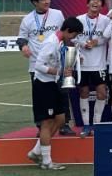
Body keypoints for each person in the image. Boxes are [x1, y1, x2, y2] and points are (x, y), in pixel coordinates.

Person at [26, 17, 83, 170]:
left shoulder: (61, 42)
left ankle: (36, 151)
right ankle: (46, 161)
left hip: (54, 84)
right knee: (47, 123)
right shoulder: (51, 43)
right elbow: (38, 66)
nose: (74, 38)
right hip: (43, 85)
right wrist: (59, 72)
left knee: (61, 119)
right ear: (68, 31)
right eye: (74, 35)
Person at [17, 0, 69, 135]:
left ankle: (64, 125)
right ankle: (41, 126)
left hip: (57, 64)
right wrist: (24, 46)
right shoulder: (27, 19)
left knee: (62, 95)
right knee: (40, 98)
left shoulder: (57, 14)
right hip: (36, 66)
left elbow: (65, 33)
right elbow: (21, 38)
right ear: (35, 2)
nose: (47, 2)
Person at [76, 0, 110, 137]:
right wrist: (83, 44)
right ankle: (86, 125)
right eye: (93, 0)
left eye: (98, 1)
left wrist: (97, 42)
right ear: (87, 4)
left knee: (101, 93)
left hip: (99, 64)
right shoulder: (79, 19)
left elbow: (108, 37)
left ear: (102, 6)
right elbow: (73, 38)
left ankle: (97, 124)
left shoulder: (105, 20)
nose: (95, 2)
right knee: (83, 92)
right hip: (83, 64)